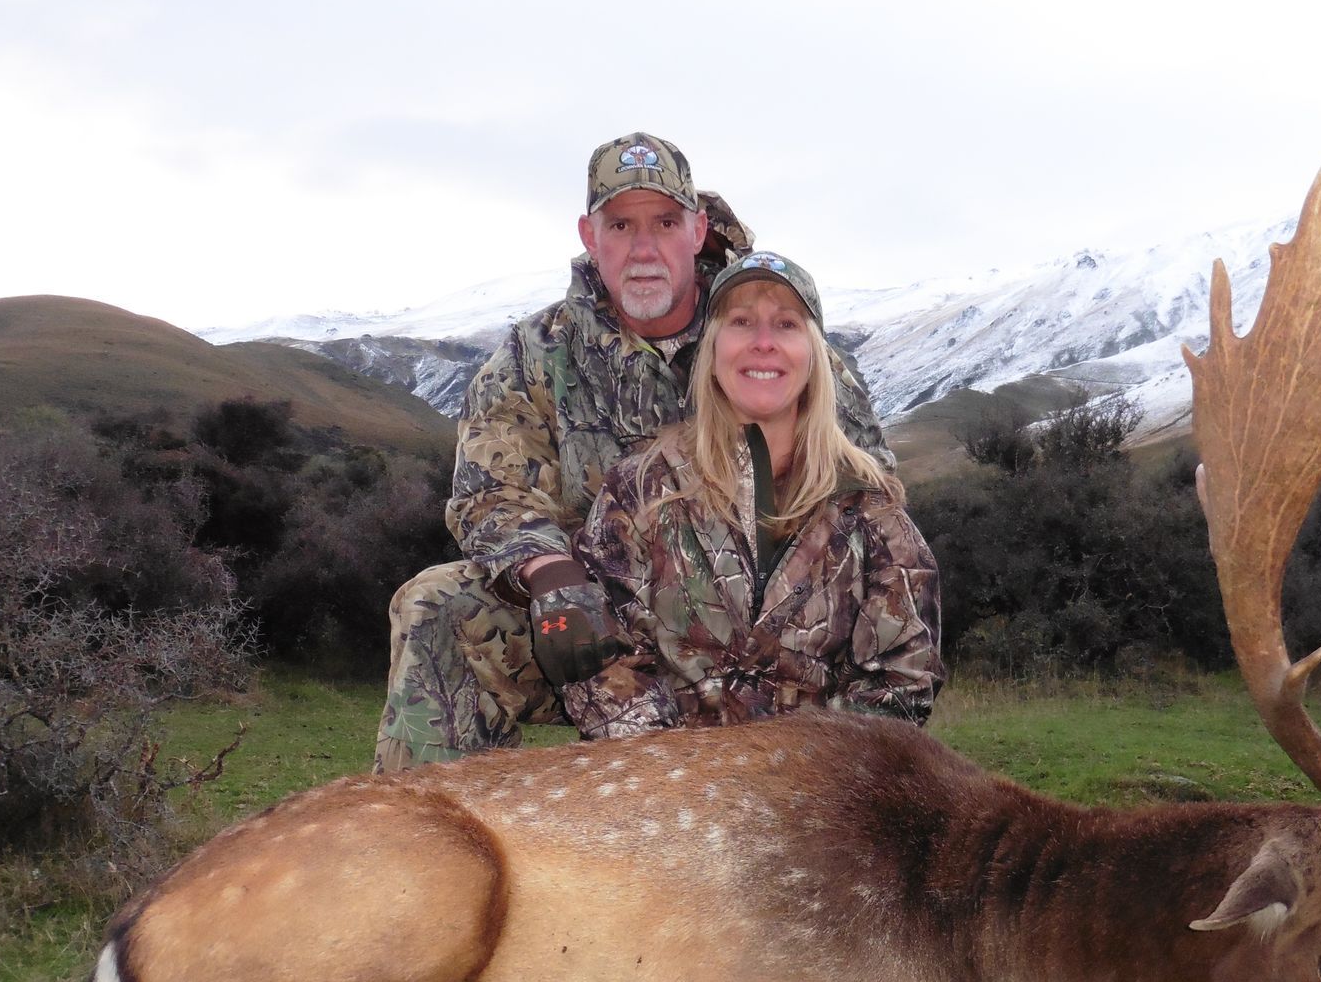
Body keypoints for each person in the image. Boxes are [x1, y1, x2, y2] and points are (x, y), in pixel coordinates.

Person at [375, 133, 889, 772]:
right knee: (437, 605)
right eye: (621, 225)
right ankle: (441, 840)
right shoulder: (536, 353)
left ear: (698, 230)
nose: (644, 249)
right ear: (590, 236)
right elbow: (489, 494)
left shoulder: (775, 343)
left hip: (761, 627)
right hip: (596, 620)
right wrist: (548, 574)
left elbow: (874, 492)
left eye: (665, 223)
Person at [561, 251, 943, 737]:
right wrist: (682, 776)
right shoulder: (637, 491)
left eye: (786, 324)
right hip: (664, 791)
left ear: (815, 355)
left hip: (813, 796)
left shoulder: (870, 508)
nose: (764, 343)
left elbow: (904, 676)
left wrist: (796, 780)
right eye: (741, 321)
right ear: (712, 348)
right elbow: (599, 660)